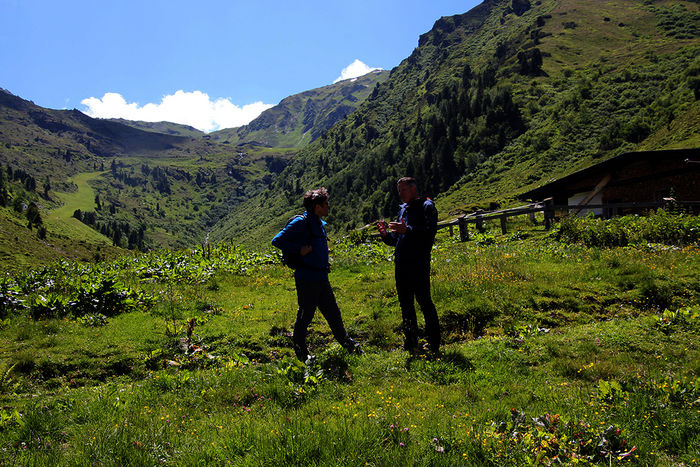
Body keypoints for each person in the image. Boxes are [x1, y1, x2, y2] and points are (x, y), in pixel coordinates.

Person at [272, 188, 362, 361]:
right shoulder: (300, 222)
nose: (329, 206)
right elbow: (277, 240)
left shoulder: (319, 223)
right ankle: (302, 354)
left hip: (321, 277)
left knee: (333, 314)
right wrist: (299, 250)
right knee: (305, 316)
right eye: (326, 204)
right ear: (317, 206)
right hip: (307, 278)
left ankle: (350, 346)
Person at [378, 177, 440, 354]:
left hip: (418, 264)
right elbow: (396, 240)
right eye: (399, 191)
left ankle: (433, 343)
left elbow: (429, 233)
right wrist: (385, 235)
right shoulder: (403, 210)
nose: (401, 194)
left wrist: (408, 230)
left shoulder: (427, 206)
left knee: (425, 303)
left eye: (403, 190)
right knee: (405, 304)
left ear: (414, 189)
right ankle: (411, 342)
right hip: (401, 265)